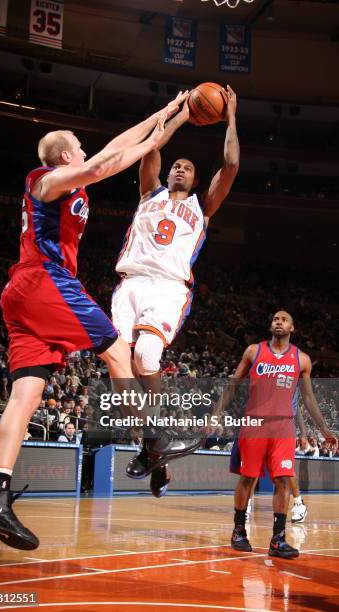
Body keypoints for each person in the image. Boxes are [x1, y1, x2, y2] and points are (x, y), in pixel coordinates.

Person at [0, 93, 199, 551]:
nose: (84, 149)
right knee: (118, 349)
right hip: (44, 280)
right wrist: (154, 137)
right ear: (63, 155)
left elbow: (110, 151)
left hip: (23, 296)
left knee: (27, 393)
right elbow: (104, 165)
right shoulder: (46, 179)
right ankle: (154, 441)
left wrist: (164, 116)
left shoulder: (68, 177)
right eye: (78, 145)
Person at [112, 85, 239, 497]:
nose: (180, 169)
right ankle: (154, 449)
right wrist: (182, 111)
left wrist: (231, 115)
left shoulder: (202, 207)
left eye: (187, 167)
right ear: (166, 172)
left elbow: (232, 164)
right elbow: (153, 144)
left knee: (145, 356)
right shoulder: (149, 192)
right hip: (129, 283)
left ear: (196, 179)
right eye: (176, 166)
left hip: (166, 288)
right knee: (118, 364)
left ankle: (156, 440)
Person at [215, 311, 337, 559]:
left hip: (283, 426)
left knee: (282, 480)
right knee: (248, 478)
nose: (278, 321)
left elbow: (308, 398)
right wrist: (215, 414)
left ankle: (278, 539)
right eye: (275, 319)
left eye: (284, 319)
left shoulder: (301, 359)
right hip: (254, 423)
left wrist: (323, 428)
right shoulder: (253, 351)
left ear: (292, 327)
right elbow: (233, 384)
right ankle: (239, 531)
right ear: (271, 325)